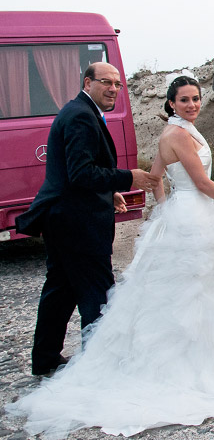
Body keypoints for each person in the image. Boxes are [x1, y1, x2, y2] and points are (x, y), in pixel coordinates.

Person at [6, 76, 214, 438]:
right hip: (188, 214)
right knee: (184, 289)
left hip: (187, 215)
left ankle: (51, 356)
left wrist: (162, 209)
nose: (191, 105)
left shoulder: (185, 131)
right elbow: (200, 181)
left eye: (196, 99)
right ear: (170, 103)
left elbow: (155, 177)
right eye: (184, 100)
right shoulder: (173, 134)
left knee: (201, 287)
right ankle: (143, 359)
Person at [15, 62, 159, 376]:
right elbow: (81, 173)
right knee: (98, 292)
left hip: (64, 217)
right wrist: (127, 178)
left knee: (60, 291)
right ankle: (101, 367)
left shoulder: (78, 110)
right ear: (88, 82)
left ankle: (45, 360)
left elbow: (74, 173)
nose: (113, 89)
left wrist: (108, 194)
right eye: (106, 82)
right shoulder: (81, 116)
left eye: (118, 84)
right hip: (77, 223)